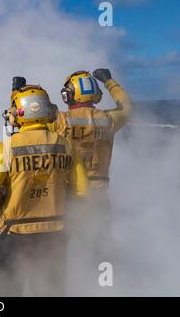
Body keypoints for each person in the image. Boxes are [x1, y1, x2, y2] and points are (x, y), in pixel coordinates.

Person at [0, 83, 88, 296]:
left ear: (19, 113)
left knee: (0, 288)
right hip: (54, 235)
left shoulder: (6, 148)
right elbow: (82, 191)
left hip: (15, 234)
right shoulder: (66, 146)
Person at [53, 69, 133, 293]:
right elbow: (127, 108)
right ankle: (101, 290)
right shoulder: (108, 120)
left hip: (68, 196)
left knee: (59, 252)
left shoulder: (60, 121)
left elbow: (33, 128)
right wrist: (109, 81)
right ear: (95, 94)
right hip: (99, 197)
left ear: (68, 95)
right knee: (100, 252)